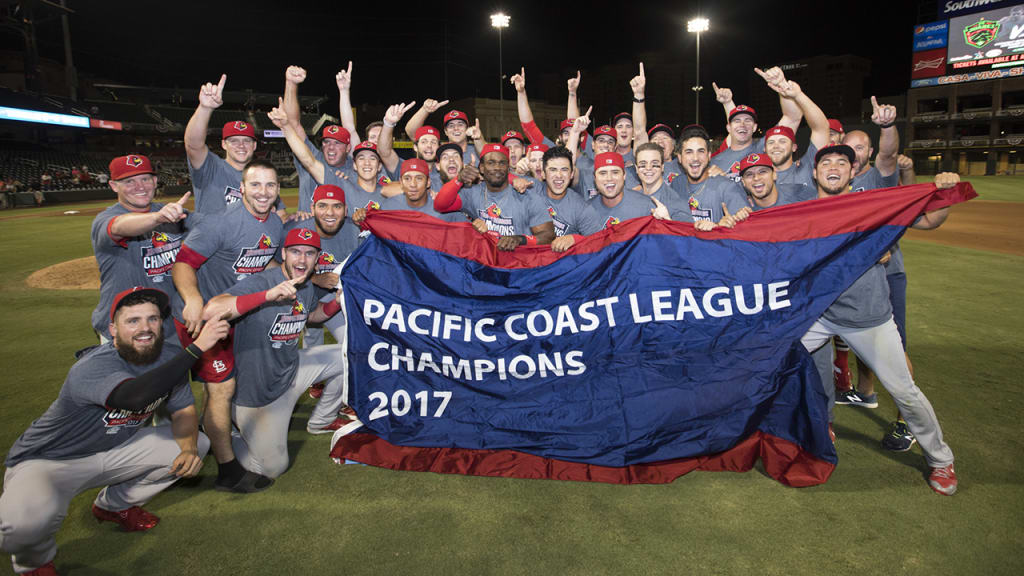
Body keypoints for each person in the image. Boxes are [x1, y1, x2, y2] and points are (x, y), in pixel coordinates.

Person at [0, 287, 225, 575]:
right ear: (113, 329)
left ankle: (114, 505)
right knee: (19, 525)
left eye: (153, 319)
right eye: (133, 321)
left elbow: (183, 410)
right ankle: (33, 563)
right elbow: (134, 398)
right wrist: (196, 348)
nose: (145, 328)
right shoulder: (92, 367)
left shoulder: (170, 356)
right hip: (50, 461)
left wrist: (189, 448)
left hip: (116, 450)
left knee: (196, 444)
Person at [796, 144, 960, 495]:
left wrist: (943, 193)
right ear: (815, 173)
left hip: (869, 318)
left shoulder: (872, 203)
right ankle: (799, 429)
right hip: (819, 315)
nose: (834, 166)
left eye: (843, 161)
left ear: (853, 172)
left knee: (904, 390)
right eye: (826, 162)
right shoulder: (804, 210)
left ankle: (940, 459)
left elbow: (930, 220)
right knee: (773, 362)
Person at [198, 228, 349, 480]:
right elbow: (211, 309)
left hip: (291, 370)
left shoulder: (305, 284)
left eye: (309, 253)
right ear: (283, 254)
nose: (301, 260)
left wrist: (336, 302)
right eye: (295, 252)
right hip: (256, 394)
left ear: (317, 258)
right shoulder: (262, 282)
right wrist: (267, 296)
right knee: (271, 468)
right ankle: (220, 432)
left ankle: (322, 420)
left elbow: (312, 315)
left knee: (348, 356)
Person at [171, 159, 283, 493]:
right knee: (221, 390)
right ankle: (228, 470)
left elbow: (267, 259)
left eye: (270, 185)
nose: (263, 192)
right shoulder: (221, 223)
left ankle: (214, 433)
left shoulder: (274, 224)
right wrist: (192, 298)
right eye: (256, 185)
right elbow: (182, 265)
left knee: (222, 387)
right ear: (243, 189)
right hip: (204, 319)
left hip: (234, 315)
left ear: (278, 190)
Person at [91, 154, 197, 345]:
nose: (140, 187)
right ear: (114, 186)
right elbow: (119, 227)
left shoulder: (172, 213)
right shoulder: (106, 219)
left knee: (173, 376)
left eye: (145, 179)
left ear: (155, 181)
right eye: (129, 181)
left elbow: (214, 227)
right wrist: (157, 218)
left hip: (169, 327)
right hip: (125, 329)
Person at [434, 143, 555, 251]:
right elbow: (440, 205)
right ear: (481, 167)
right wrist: (458, 179)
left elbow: (549, 235)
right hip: (487, 263)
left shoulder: (528, 196)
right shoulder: (472, 193)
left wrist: (520, 239)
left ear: (508, 167)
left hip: (519, 264)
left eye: (502, 163)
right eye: (491, 163)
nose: (497, 167)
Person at [184, 74, 274, 215]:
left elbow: (280, 215)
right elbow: (193, 145)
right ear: (223, 144)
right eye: (234, 141)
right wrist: (205, 108)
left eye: (246, 141)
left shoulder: (262, 176)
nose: (241, 145)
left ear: (254, 146)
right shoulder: (211, 167)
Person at [736, 152, 817, 211]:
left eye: (762, 172)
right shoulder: (744, 210)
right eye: (749, 174)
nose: (756, 178)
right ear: (743, 182)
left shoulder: (800, 193)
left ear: (774, 175)